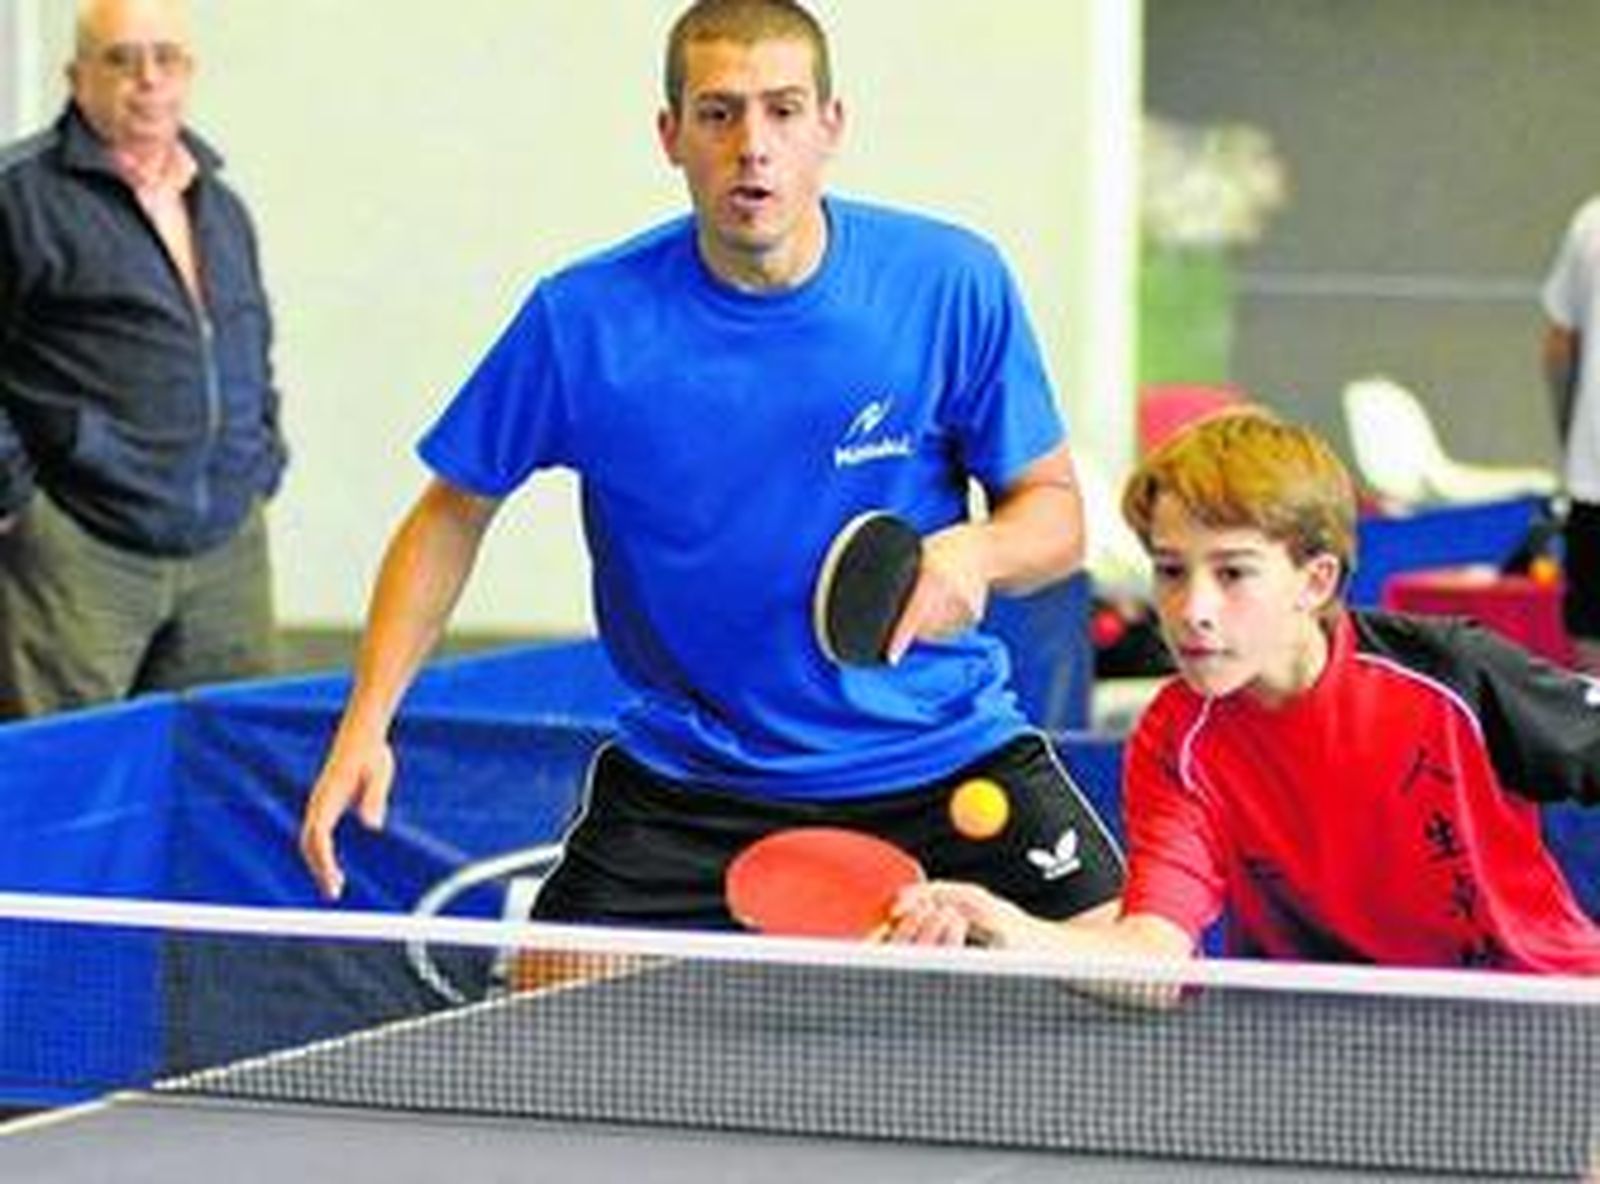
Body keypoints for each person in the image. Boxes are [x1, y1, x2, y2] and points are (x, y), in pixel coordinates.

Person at [298, 0, 1124, 929]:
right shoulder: (582, 322)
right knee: (536, 1032)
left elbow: (1056, 518)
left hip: (941, 754)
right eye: (719, 113)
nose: (753, 146)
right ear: (671, 135)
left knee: (1110, 984)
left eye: (782, 110)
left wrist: (973, 555)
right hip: (695, 781)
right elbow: (451, 513)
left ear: (831, 127)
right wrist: (366, 720)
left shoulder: (951, 283)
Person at [890, 411, 1600, 974]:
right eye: (1171, 572)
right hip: (1324, 1050)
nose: (1193, 608)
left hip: (1542, 1013)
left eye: (1232, 573)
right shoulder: (1178, 742)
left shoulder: (1452, 675)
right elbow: (1153, 957)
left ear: (1315, 581)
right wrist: (1007, 928)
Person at [0, 0, 286, 719]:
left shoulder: (220, 204)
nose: (148, 80)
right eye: (121, 60)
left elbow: (247, 344)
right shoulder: (20, 197)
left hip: (227, 549)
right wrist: (16, 502)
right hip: (82, 551)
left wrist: (261, 457)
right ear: (76, 77)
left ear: (189, 73)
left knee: (227, 776)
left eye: (167, 58)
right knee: (66, 787)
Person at [1540, 199, 1600, 676]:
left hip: (1593, 476)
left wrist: (1574, 437)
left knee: (1593, 666)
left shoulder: (1592, 220)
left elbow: (1559, 349)